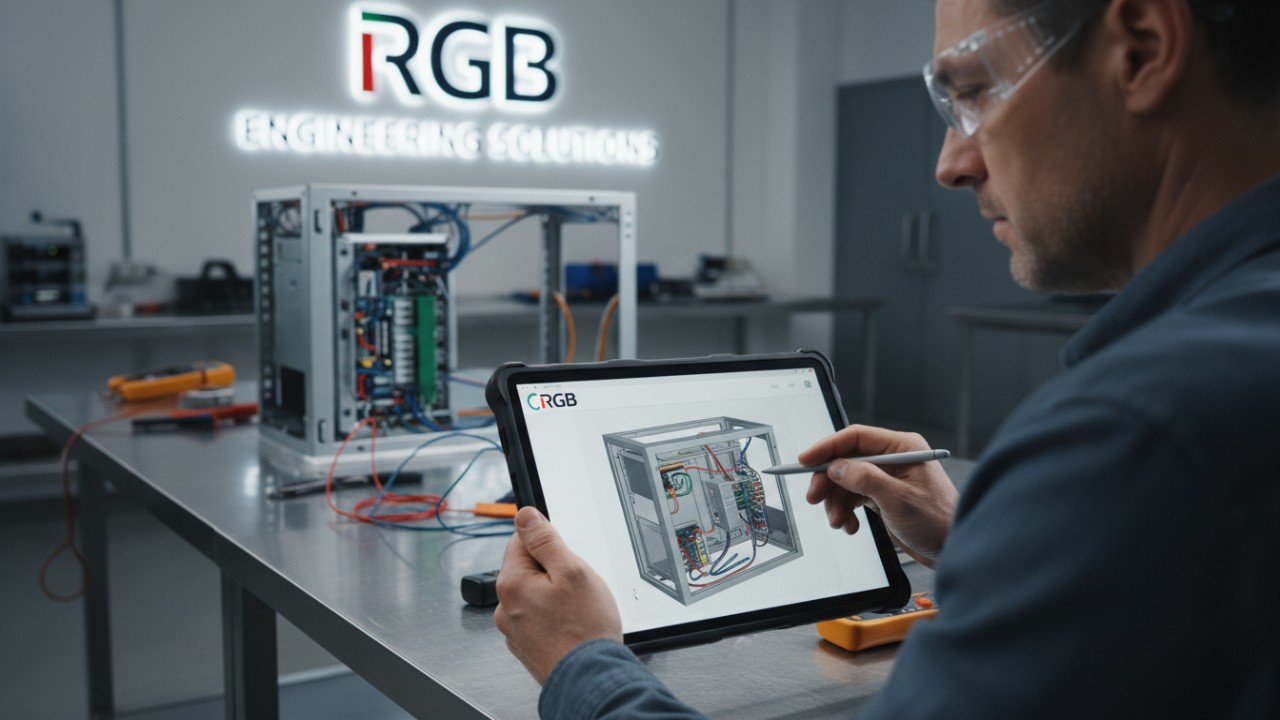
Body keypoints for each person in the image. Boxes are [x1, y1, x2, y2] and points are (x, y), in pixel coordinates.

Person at [494, 0, 1280, 716]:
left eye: (971, 92)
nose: (952, 163)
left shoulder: (1137, 434)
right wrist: (982, 541)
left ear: (1142, 48)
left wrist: (583, 662)